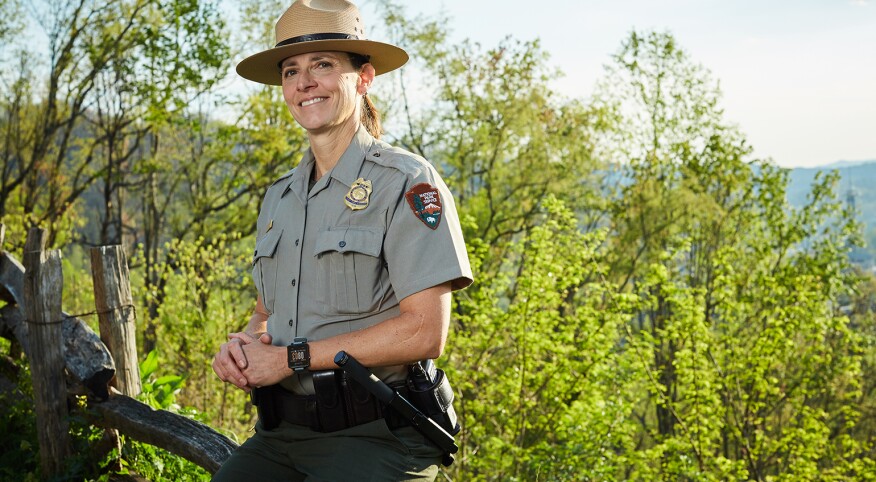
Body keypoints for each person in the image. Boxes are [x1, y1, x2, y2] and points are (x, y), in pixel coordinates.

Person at [210, 0, 473, 480]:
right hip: (281, 433)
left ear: (364, 77)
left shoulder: (407, 182)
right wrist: (245, 346)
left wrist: (289, 359)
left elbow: (425, 332)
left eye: (323, 65)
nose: (304, 82)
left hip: (377, 436)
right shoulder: (281, 197)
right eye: (291, 71)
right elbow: (269, 311)